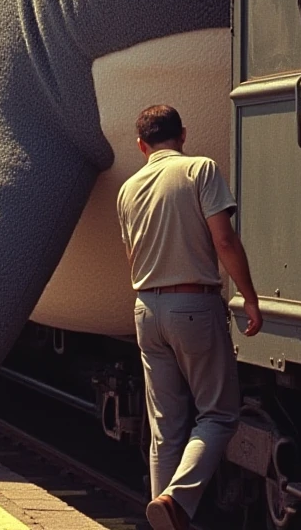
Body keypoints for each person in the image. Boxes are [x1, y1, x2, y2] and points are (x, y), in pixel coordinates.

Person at [115, 105, 262, 530]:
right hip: (192, 305)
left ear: (142, 145)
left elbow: (132, 257)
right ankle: (175, 500)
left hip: (146, 308)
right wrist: (249, 297)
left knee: (165, 426)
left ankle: (165, 516)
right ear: (183, 135)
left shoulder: (128, 189)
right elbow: (224, 239)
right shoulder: (200, 169)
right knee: (218, 413)